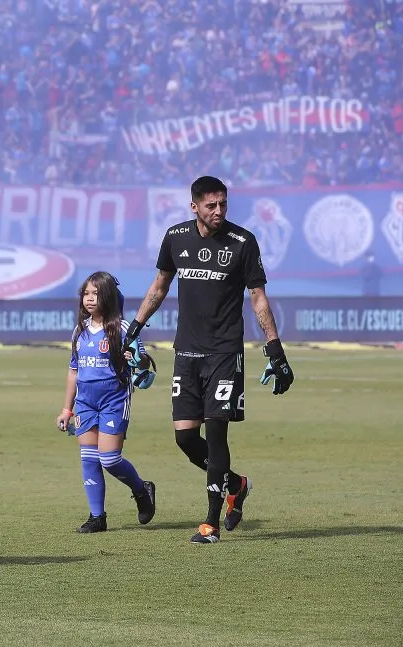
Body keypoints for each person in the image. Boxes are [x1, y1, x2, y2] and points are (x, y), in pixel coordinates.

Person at [124, 176, 294, 544]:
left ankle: (211, 522)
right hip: (186, 351)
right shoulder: (175, 237)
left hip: (223, 352)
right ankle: (235, 484)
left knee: (216, 433)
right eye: (211, 205)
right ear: (194, 206)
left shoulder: (243, 242)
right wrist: (134, 329)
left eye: (223, 205)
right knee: (185, 438)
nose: (218, 212)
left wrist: (274, 346)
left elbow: (258, 297)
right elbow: (159, 287)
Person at [55, 272, 157, 533]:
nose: (90, 299)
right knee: (89, 459)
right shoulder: (79, 330)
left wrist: (137, 358)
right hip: (85, 403)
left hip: (114, 400)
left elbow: (144, 363)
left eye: (96, 294)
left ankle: (140, 488)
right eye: (86, 294)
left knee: (109, 459)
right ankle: (97, 517)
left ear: (108, 296)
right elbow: (74, 371)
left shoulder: (122, 329)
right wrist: (67, 408)